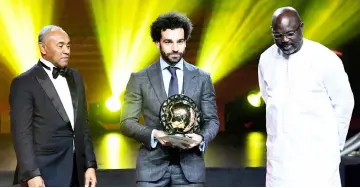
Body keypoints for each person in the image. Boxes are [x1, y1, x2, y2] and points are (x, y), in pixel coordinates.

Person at [258, 6, 355, 187]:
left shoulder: (324, 58)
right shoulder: (266, 59)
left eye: (290, 34)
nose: (285, 40)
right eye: (278, 36)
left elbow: (344, 104)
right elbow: (268, 97)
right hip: (280, 159)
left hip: (318, 158)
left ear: (301, 28)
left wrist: (335, 146)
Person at [120, 12, 219, 187]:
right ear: (157, 43)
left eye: (180, 41)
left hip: (190, 170)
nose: (175, 48)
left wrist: (201, 138)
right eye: (168, 42)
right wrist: (155, 135)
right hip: (151, 170)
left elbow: (212, 120)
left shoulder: (202, 77)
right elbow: (127, 122)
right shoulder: (139, 78)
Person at [10, 25, 97, 187]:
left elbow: (83, 125)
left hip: (76, 170)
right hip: (44, 172)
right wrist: (31, 174)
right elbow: (22, 134)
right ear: (43, 48)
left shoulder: (75, 77)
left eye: (68, 45)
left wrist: (89, 165)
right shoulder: (24, 83)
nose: (67, 51)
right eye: (60, 45)